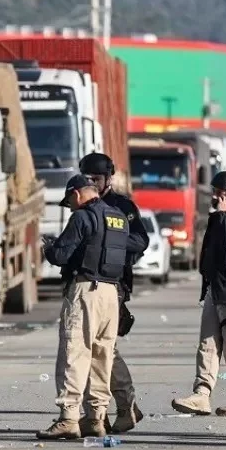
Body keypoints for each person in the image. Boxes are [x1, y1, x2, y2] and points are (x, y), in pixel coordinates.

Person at [37, 174, 129, 440]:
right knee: (103, 356)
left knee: (74, 353)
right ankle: (96, 418)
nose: (71, 207)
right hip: (111, 293)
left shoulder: (81, 217)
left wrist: (50, 248)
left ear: (77, 194)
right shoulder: (118, 217)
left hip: (85, 290)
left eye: (70, 201)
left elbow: (61, 255)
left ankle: (68, 418)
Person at [172, 171, 226, 417]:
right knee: (207, 344)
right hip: (214, 290)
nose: (216, 198)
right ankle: (202, 394)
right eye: (216, 193)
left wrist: (222, 215)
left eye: (222, 194)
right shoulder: (216, 218)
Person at [78, 152, 149, 434]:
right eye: (87, 179)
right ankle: (99, 413)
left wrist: (110, 237)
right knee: (87, 348)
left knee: (103, 348)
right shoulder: (81, 204)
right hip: (85, 283)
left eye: (96, 179)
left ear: (109, 178)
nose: (92, 184)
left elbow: (140, 240)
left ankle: (122, 405)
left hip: (113, 284)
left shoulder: (122, 206)